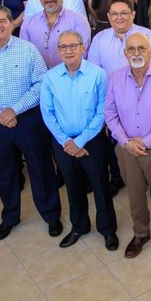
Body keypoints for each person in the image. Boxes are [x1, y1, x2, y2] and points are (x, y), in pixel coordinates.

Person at [0, 5, 62, 241]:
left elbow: (40, 85)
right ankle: (10, 216)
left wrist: (14, 110)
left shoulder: (28, 50)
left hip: (27, 120)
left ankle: (51, 215)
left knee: (41, 168)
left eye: (3, 21)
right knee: (4, 172)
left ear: (11, 23)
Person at [104, 32, 151, 259]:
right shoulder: (115, 79)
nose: (136, 53)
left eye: (141, 48)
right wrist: (127, 141)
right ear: (124, 53)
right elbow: (110, 114)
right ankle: (141, 233)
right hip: (126, 149)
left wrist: (146, 141)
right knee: (135, 194)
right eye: (131, 49)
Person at [40, 30, 117, 251]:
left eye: (73, 46)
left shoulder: (98, 74)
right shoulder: (50, 77)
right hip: (63, 142)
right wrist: (67, 142)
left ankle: (107, 230)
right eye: (63, 47)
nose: (69, 50)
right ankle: (79, 226)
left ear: (83, 48)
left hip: (92, 140)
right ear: (58, 51)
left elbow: (103, 112)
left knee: (101, 187)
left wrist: (81, 141)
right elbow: (48, 113)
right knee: (73, 188)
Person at [19, 0, 91, 69]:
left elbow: (83, 54)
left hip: (70, 78)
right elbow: (24, 55)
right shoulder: (28, 23)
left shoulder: (79, 21)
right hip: (38, 79)